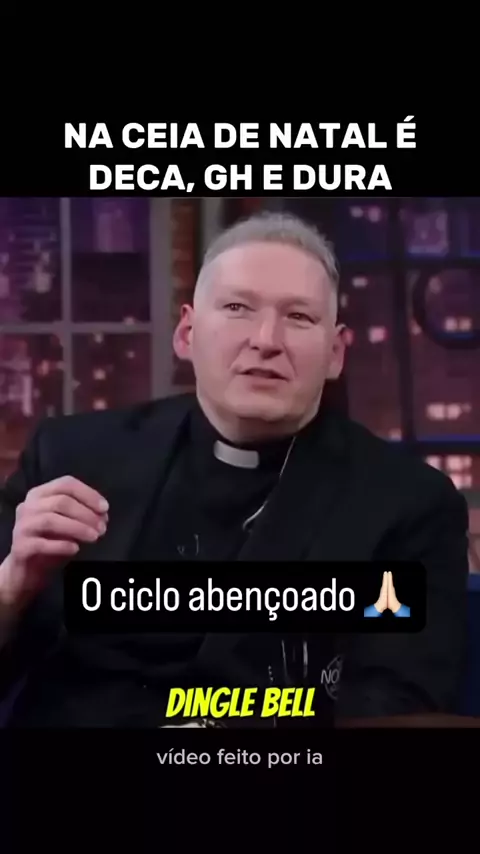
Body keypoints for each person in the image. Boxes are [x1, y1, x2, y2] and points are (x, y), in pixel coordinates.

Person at [0, 212, 470, 728]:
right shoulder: (70, 457)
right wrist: (13, 585)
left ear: (335, 353)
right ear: (187, 333)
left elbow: (390, 707)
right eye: (237, 308)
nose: (266, 339)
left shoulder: (409, 505)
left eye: (298, 317)